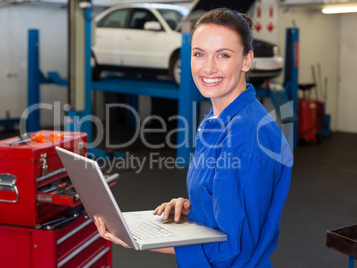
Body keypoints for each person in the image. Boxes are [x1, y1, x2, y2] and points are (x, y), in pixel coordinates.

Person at [94, 7, 293, 267]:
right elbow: (225, 201)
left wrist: (136, 238)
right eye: (199, 54)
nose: (208, 67)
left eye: (223, 55)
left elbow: (232, 249)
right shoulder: (216, 122)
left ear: (246, 60)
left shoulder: (245, 135)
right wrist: (194, 208)